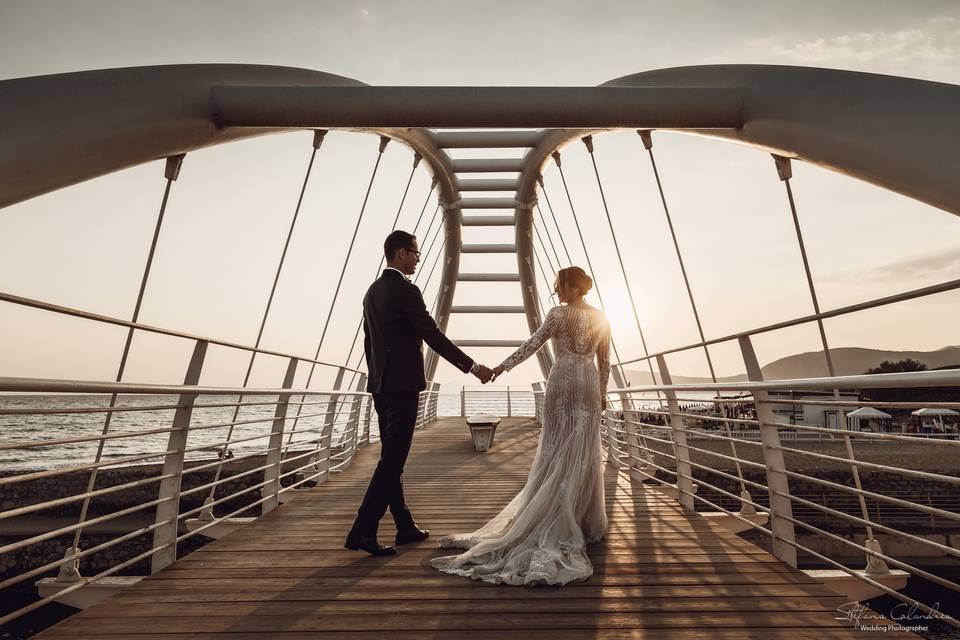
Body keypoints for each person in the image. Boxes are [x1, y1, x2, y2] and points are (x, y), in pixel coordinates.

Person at [430, 266, 611, 585]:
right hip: (587, 387)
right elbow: (605, 362)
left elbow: (532, 345)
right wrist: (604, 393)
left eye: (560, 284)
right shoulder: (601, 318)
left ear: (571, 287)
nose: (556, 289)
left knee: (554, 451)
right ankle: (581, 520)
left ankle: (549, 516)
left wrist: (501, 368)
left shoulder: (557, 315)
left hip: (562, 384)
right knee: (584, 452)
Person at [345, 230, 493, 556]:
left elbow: (370, 343)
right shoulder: (406, 291)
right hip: (402, 387)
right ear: (400, 253)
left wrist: (377, 379)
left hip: (381, 386)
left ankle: (404, 526)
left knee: (391, 458)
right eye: (414, 253)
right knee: (393, 460)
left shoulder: (372, 292)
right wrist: (472, 366)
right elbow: (432, 335)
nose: (417, 258)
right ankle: (363, 529)